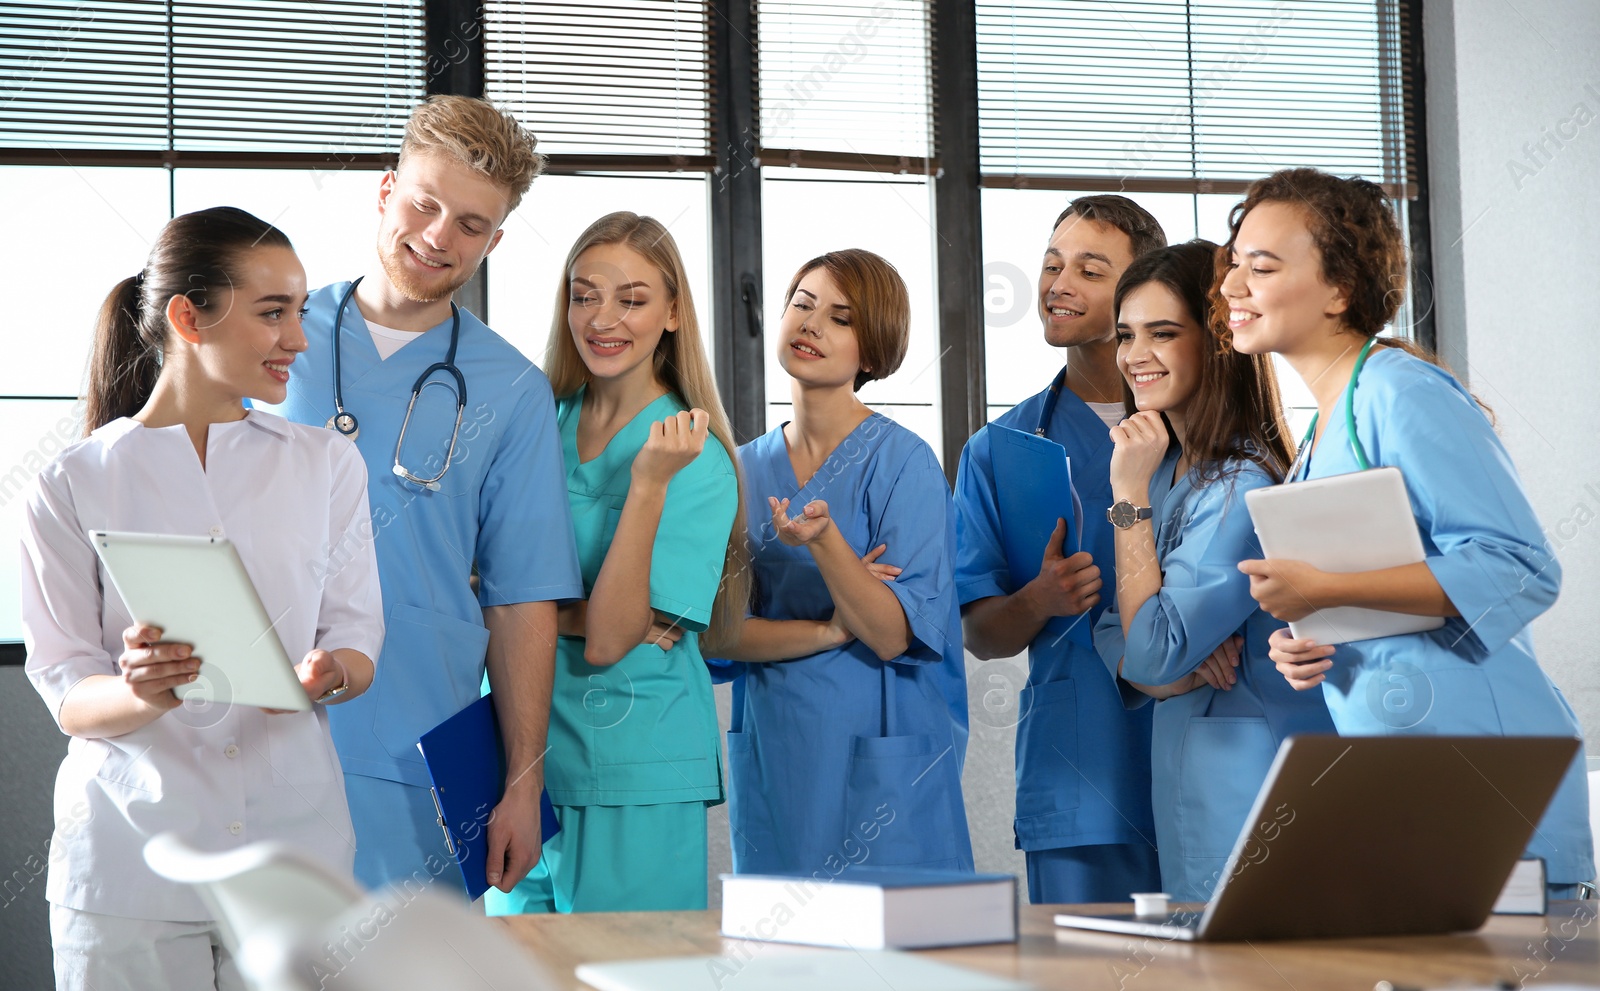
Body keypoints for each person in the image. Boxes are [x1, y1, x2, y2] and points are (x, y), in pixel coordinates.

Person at [20, 207, 384, 990]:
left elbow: (358, 641)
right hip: (129, 862)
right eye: (272, 313)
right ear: (189, 316)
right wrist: (139, 690)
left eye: (300, 311)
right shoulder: (72, 481)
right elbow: (67, 689)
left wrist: (330, 673)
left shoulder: (327, 464)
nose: (298, 338)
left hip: (294, 860)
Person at [1220, 168, 1595, 898]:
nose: (1232, 284)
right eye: (1234, 263)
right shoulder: (1321, 433)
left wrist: (1326, 588)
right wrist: (1312, 635)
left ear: (1339, 290)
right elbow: (1390, 599)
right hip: (1401, 778)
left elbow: (1520, 567)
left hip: (1486, 777)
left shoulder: (1400, 389)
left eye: (1260, 266)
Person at [272, 95, 583, 893]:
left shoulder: (511, 389)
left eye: (473, 224)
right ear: (385, 191)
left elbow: (522, 601)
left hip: (415, 751)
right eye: (425, 202)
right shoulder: (274, 342)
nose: (441, 235)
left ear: (496, 239)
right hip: (255, 731)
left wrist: (520, 782)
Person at [485, 212, 745, 913]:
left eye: (631, 298)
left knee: (631, 976)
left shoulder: (695, 461)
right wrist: (572, 611)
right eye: (583, 294)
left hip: (633, 766)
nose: (602, 318)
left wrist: (648, 484)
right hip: (518, 764)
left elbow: (607, 637)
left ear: (672, 312)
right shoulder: (540, 422)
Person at [708, 249, 974, 876]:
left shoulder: (905, 464)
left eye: (840, 317)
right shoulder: (740, 470)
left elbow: (889, 633)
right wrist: (835, 623)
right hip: (780, 757)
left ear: (873, 350)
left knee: (895, 965)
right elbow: (717, 634)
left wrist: (827, 545)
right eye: (801, 304)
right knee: (787, 964)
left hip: (884, 756)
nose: (811, 324)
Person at [1090, 240, 1336, 902]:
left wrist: (1126, 499)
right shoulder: (1171, 472)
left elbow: (1147, 645)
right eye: (1126, 334)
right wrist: (1168, 678)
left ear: (1219, 340)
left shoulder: (1236, 486)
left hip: (1244, 781)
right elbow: (1112, 628)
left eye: (1162, 333)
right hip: (1187, 767)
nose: (1135, 355)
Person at [953, 195, 1167, 903]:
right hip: (1078, 773)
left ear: (1141, 292)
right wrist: (1038, 598)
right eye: (1051, 265)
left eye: (1088, 268)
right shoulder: (998, 451)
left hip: (1202, 752)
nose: (1057, 283)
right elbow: (981, 633)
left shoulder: (1203, 435)